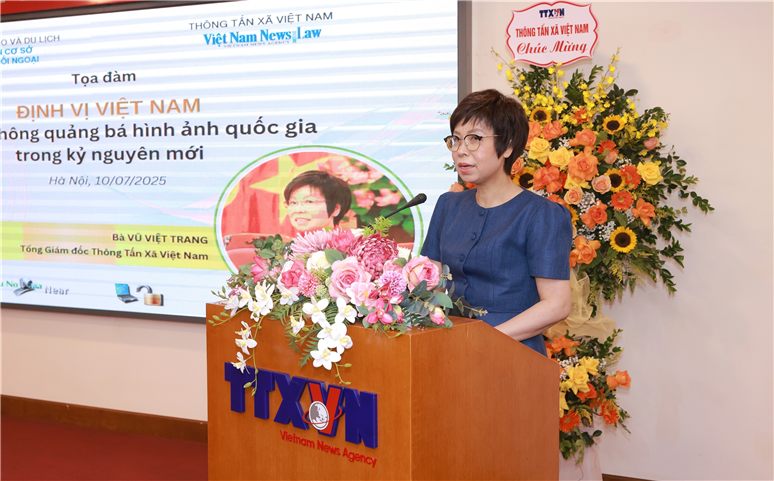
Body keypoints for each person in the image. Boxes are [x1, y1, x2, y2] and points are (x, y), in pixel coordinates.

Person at [421, 89, 572, 356]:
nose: (460, 151)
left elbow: (557, 305)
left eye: (474, 139)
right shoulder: (448, 204)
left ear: (509, 146)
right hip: (450, 349)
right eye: (456, 139)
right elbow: (431, 281)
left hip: (511, 354)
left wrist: (484, 341)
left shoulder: (542, 214)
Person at [283, 171, 353, 232]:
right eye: (293, 202)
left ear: (335, 209)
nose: (298, 210)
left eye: (309, 201)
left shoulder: (352, 242)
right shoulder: (285, 242)